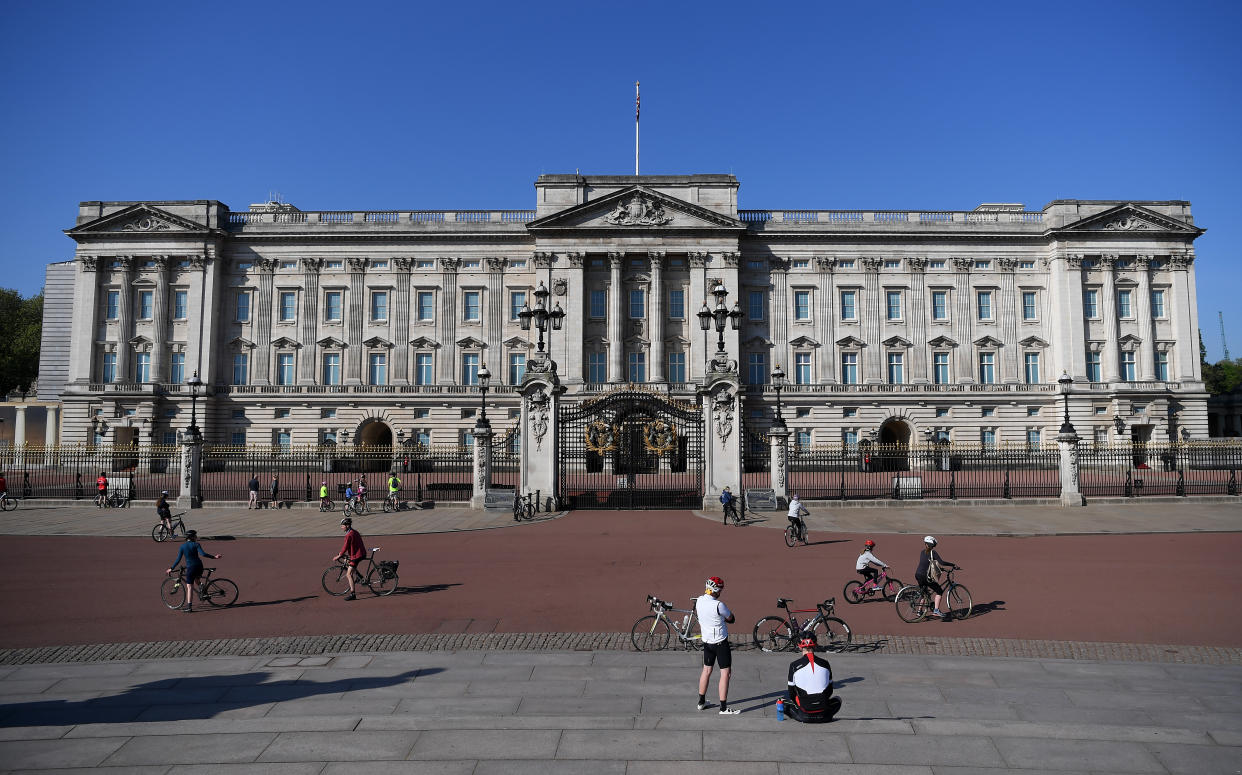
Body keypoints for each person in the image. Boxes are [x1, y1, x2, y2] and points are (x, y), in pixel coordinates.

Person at [695, 576, 739, 715]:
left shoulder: (699, 600)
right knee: (725, 673)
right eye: (720, 589)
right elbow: (731, 618)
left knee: (706, 670)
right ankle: (723, 708)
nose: (721, 592)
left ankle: (701, 702)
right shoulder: (718, 605)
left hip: (707, 642)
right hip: (720, 643)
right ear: (716, 590)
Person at [784, 633, 841, 723]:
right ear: (815, 645)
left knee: (782, 702)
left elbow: (791, 694)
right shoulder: (825, 663)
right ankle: (822, 714)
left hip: (804, 715)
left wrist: (802, 704)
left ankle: (803, 713)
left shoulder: (794, 665)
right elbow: (830, 691)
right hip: (824, 714)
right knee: (838, 700)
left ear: (799, 646)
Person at [165, 529, 221, 612]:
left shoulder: (182, 547)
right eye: (195, 535)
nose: (196, 537)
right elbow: (203, 554)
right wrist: (214, 557)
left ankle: (189, 607)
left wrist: (171, 568)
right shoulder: (196, 544)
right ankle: (202, 588)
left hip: (191, 568)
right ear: (191, 537)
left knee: (189, 586)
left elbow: (178, 559)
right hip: (199, 566)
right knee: (197, 580)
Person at [915, 535, 959, 618]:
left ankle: (919, 611)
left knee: (924, 593)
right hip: (925, 576)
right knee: (939, 591)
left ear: (926, 544)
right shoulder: (933, 552)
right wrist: (953, 564)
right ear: (933, 545)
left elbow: (927, 563)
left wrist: (940, 569)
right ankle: (936, 610)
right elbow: (941, 562)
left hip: (918, 574)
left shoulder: (922, 552)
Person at [333, 517, 366, 601]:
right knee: (346, 561)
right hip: (358, 553)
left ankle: (353, 594)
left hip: (357, 555)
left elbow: (345, 547)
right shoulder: (353, 531)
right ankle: (359, 577)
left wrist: (339, 555)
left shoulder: (349, 535)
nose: (341, 527)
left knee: (348, 574)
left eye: (342, 525)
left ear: (347, 526)